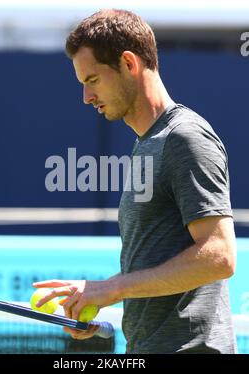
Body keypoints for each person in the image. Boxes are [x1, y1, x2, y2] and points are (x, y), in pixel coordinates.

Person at [33, 9, 237, 354]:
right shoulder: (147, 143)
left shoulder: (185, 138)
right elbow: (160, 274)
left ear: (129, 64)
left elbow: (219, 256)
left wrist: (112, 288)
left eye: (93, 80)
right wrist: (106, 321)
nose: (86, 97)